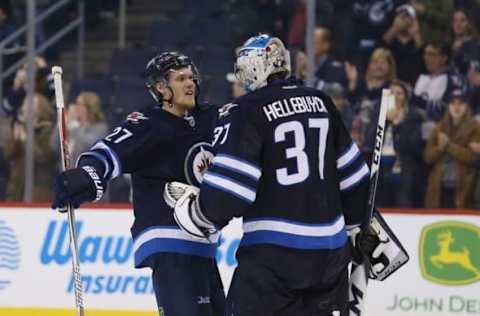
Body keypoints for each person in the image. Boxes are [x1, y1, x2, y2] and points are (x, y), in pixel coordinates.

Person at [164, 34, 399, 316]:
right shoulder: (321, 101)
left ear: (254, 69)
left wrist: (198, 214)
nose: (241, 80)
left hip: (275, 258)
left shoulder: (245, 110)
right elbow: (355, 180)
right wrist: (357, 228)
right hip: (330, 256)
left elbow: (230, 195)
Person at [51, 52, 225, 315]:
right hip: (168, 239)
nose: (190, 84)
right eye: (180, 79)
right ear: (160, 88)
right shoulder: (148, 124)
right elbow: (107, 153)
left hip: (204, 244)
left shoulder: (209, 119)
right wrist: (85, 175)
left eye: (191, 77)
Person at [424, 89, 480, 208]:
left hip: (464, 188)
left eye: (460, 103)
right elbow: (428, 157)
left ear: (467, 106)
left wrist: (448, 145)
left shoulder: (475, 128)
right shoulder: (439, 127)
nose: (456, 107)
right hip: (439, 187)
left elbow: (473, 158)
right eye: (453, 103)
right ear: (448, 106)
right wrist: (440, 148)